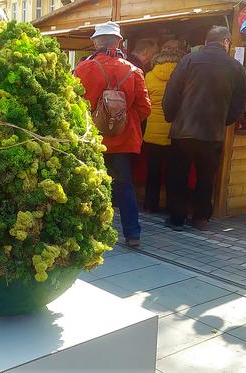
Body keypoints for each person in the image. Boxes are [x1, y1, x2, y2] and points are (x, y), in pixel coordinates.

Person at [74, 21, 151, 248]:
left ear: (96, 42)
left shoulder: (83, 69)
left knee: (91, 184)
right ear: (119, 42)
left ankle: (92, 231)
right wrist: (122, 122)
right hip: (123, 140)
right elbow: (145, 108)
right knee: (124, 185)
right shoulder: (134, 71)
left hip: (92, 138)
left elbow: (74, 103)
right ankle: (132, 234)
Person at [162, 26, 246, 231]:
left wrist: (171, 116)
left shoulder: (188, 60)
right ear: (226, 42)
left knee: (178, 175)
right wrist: (223, 121)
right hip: (212, 132)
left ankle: (177, 218)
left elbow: (171, 93)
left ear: (206, 41)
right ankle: (201, 218)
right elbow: (238, 105)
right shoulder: (236, 67)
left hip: (183, 130)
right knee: (206, 177)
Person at [143, 40, 185, 214]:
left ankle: (150, 205)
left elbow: (145, 105)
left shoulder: (149, 76)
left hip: (152, 132)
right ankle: (171, 207)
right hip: (174, 132)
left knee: (153, 172)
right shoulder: (183, 77)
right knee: (173, 174)